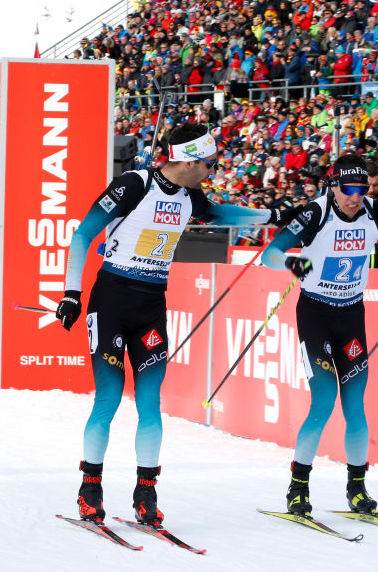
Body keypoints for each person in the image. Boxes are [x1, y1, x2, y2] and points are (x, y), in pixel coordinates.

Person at [55, 123, 294, 526]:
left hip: (151, 303)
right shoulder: (134, 183)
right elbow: (82, 235)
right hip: (111, 298)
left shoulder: (190, 195)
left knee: (151, 404)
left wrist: (271, 214)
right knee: (108, 400)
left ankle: (145, 493)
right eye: (209, 163)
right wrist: (71, 293)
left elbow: (220, 212)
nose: (212, 170)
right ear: (186, 160)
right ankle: (90, 488)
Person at [260, 153, 378, 517]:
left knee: (356, 406)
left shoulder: (377, 212)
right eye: (348, 189)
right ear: (334, 186)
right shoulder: (316, 212)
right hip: (315, 314)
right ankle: (298, 489)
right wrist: (291, 262)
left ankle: (356, 488)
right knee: (324, 401)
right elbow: (270, 253)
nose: (355, 196)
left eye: (362, 188)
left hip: (351, 316)